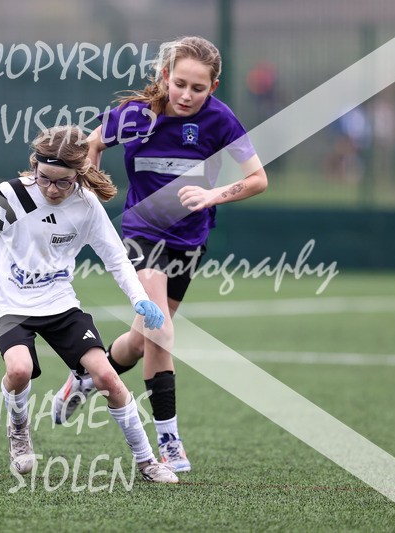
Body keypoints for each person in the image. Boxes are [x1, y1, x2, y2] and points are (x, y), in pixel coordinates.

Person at [0, 125, 178, 483]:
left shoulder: (86, 206)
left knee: (107, 377)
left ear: (78, 175)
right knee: (18, 370)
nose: (52, 189)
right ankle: (19, 431)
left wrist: (140, 300)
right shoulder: (13, 196)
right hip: (10, 303)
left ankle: (147, 462)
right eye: (44, 178)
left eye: (62, 182)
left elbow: (116, 258)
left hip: (60, 303)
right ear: (34, 166)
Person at [52, 36, 268, 473]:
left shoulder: (221, 120)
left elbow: (258, 179)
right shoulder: (136, 115)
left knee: (139, 340)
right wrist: (91, 181)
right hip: (141, 231)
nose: (187, 95)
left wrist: (213, 196)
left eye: (198, 88)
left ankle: (87, 375)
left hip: (189, 241)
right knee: (161, 329)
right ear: (166, 77)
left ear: (214, 87)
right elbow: (92, 143)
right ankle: (169, 441)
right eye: (181, 84)